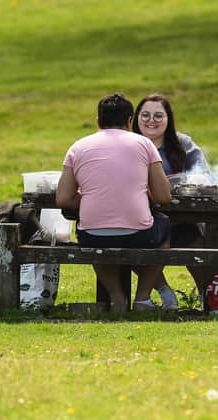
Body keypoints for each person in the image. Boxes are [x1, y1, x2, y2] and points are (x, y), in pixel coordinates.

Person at [56, 93, 172, 313]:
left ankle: (117, 297)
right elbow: (164, 196)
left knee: (95, 235)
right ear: (130, 121)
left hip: (91, 235)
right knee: (164, 225)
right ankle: (142, 298)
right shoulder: (144, 144)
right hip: (140, 234)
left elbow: (63, 198)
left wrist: (95, 196)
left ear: (98, 121)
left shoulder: (77, 147)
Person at [132, 93, 216, 306]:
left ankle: (206, 294)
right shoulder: (128, 145)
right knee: (130, 243)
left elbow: (206, 176)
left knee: (195, 242)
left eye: (158, 115)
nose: (151, 120)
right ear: (136, 118)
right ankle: (163, 290)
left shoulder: (183, 144)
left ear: (168, 120)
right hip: (138, 218)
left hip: (182, 217)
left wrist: (186, 180)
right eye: (145, 115)